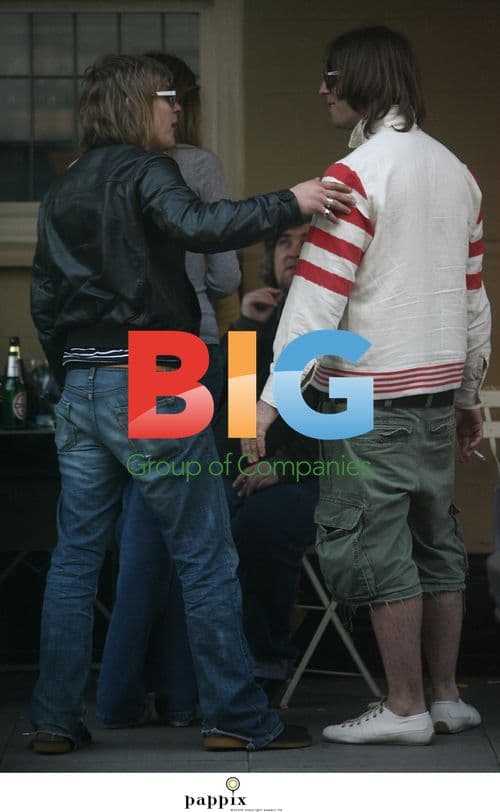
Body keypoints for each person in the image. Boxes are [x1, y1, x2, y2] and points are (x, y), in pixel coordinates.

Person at [29, 53, 354, 754]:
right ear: (137, 104)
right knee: (205, 554)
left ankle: (53, 720)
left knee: (74, 559)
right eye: (168, 98)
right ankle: (236, 718)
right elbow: (203, 228)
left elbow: (45, 299)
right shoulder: (151, 171)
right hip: (154, 369)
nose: (178, 109)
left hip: (81, 377)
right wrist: (291, 202)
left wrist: (74, 374)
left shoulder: (64, 189)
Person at [245, 26, 491, 745]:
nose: (321, 89)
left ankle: (405, 707)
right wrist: (471, 396)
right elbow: (474, 299)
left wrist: (266, 400)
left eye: (330, 76)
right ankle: (446, 697)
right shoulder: (459, 172)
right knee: (439, 544)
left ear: (359, 80)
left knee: (379, 549)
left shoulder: (357, 175)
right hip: (439, 392)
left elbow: (319, 295)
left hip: (371, 396)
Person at [96, 52, 240, 729]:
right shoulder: (196, 166)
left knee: (141, 529)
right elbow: (220, 277)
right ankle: (185, 697)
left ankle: (121, 693)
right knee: (196, 535)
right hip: (187, 349)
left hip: (125, 356)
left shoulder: (95, 172)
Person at [215, 222, 320, 694]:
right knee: (196, 518)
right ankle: (199, 670)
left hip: (327, 476)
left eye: (307, 240)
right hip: (256, 473)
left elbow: (352, 424)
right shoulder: (263, 322)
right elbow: (235, 419)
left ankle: (266, 663)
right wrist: (245, 327)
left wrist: (285, 466)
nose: (293, 249)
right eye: (284, 240)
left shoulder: (342, 319)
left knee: (258, 525)